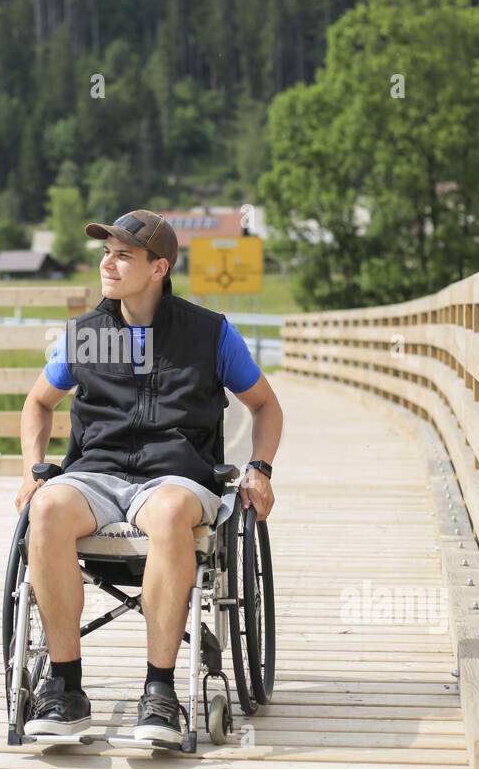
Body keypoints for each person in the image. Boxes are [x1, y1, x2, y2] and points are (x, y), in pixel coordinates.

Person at [15, 208, 284, 742]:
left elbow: (266, 407)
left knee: (166, 515)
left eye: (122, 256)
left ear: (159, 268)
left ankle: (160, 691)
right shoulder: (87, 335)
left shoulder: (209, 334)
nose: (107, 265)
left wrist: (259, 469)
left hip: (177, 477)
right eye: (105, 253)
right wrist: (31, 468)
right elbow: (38, 404)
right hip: (98, 474)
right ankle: (65, 686)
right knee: (45, 508)